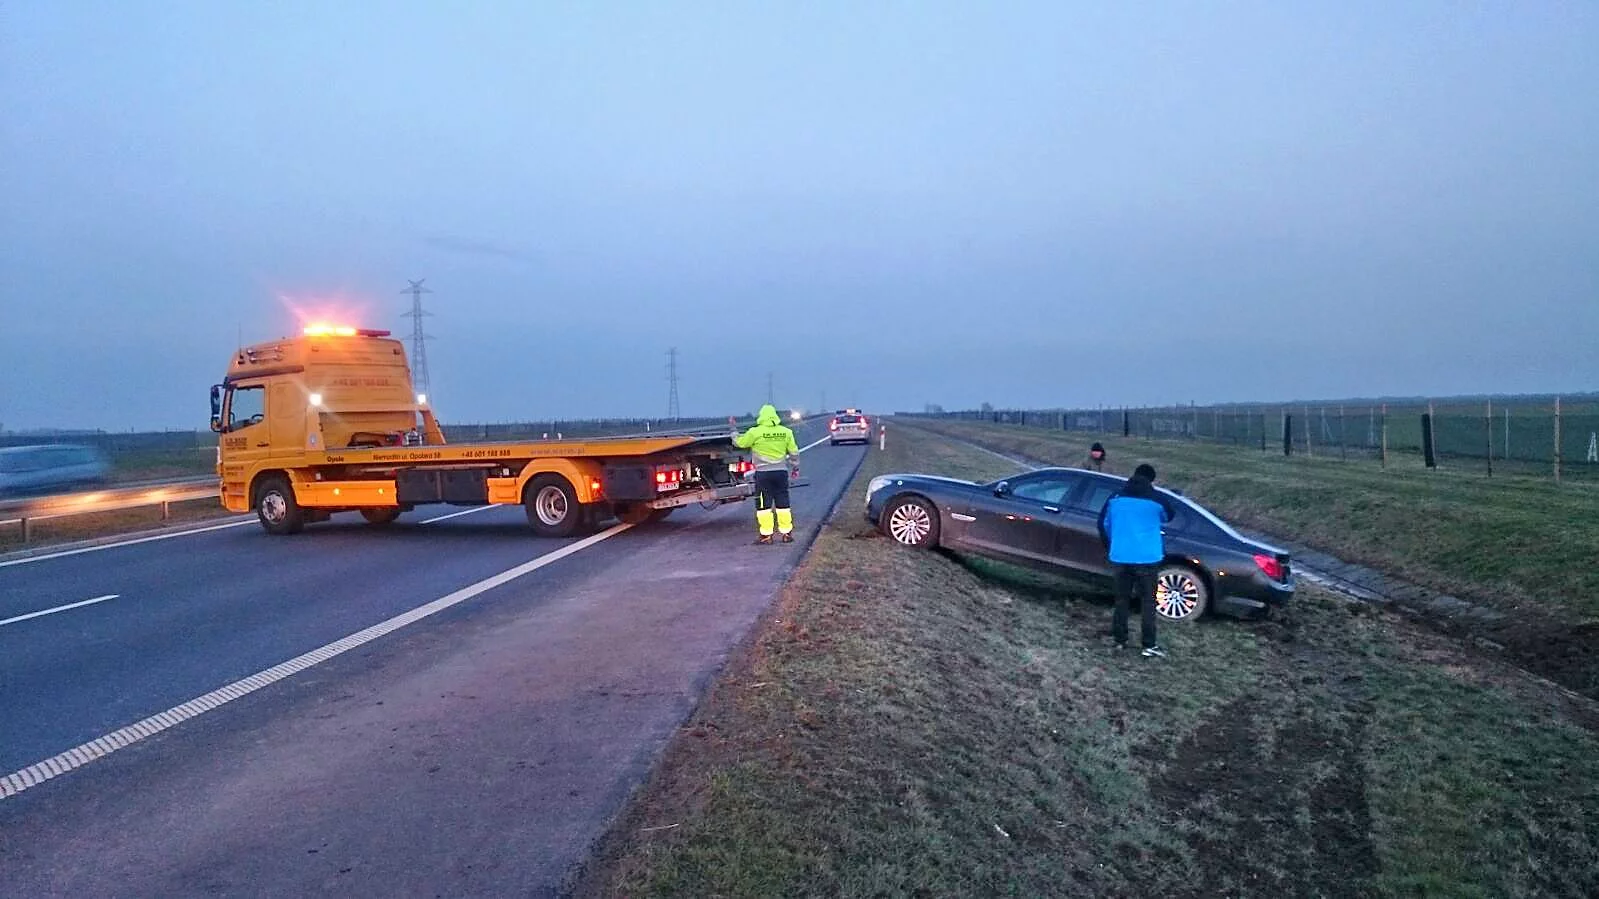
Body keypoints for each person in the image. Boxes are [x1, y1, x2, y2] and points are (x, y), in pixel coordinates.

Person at [1096, 463, 1178, 657]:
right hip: (1147, 558)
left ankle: (1119, 641)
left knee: (1121, 600)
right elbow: (1169, 516)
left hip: (1121, 556)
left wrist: (1113, 544)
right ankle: (1148, 645)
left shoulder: (1115, 498)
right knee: (1148, 602)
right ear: (1152, 480)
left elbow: (1103, 524)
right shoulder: (1157, 499)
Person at [731, 404, 801, 544]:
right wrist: (795, 468)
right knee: (783, 503)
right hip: (781, 472)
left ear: (761, 416)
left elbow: (741, 443)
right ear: (775, 416)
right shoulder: (786, 432)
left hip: (763, 474)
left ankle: (766, 536)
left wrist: (734, 431)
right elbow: (793, 452)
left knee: (764, 505)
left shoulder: (755, 432)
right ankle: (786, 533)